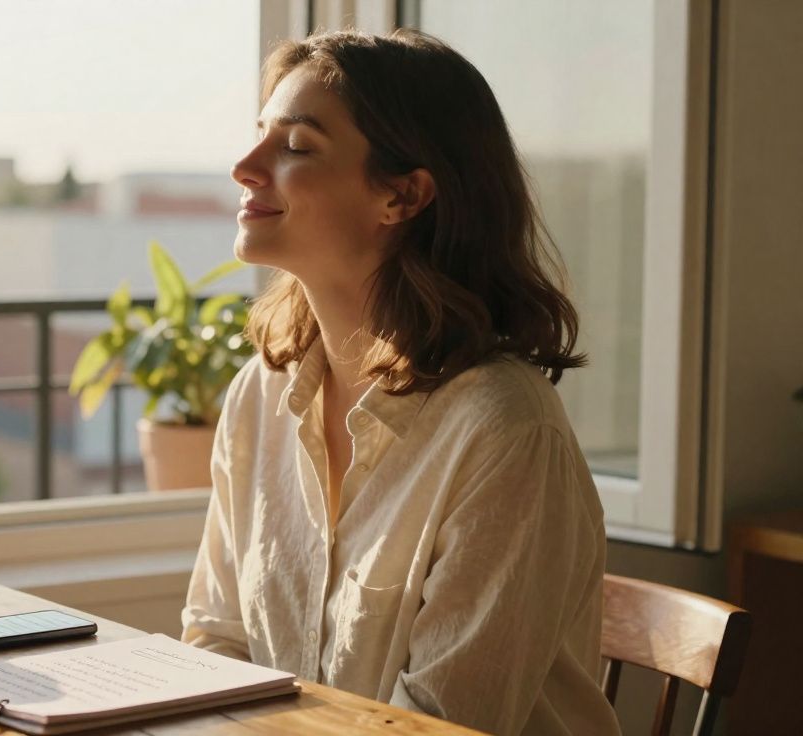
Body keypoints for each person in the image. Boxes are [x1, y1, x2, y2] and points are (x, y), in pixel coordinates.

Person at [181, 29, 622, 735]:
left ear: (404, 196)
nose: (244, 166)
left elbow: (440, 727)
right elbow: (217, 646)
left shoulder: (504, 429)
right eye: (260, 134)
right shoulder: (259, 395)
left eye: (295, 146)